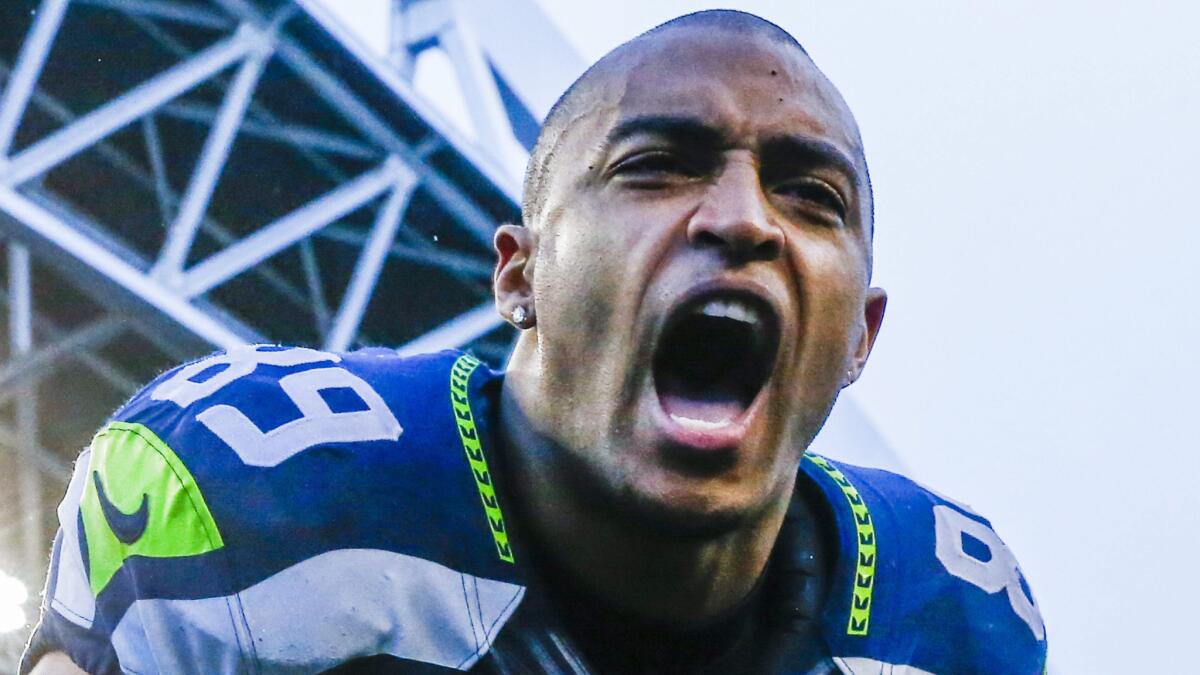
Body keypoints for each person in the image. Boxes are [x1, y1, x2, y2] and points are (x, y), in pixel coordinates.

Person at [23, 9, 1047, 675]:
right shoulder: (252, 497)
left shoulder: (950, 615)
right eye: (658, 167)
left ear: (861, 335)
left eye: (810, 194)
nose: (744, 219)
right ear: (519, 275)